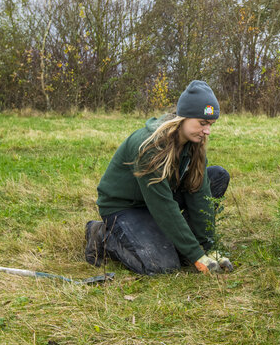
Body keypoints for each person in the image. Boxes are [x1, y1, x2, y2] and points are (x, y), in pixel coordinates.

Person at [85, 80, 232, 275]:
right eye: (202, 123)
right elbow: (163, 206)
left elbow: (200, 194)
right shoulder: (150, 146)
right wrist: (196, 256)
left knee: (217, 176)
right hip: (126, 207)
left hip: (157, 199)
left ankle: (179, 243)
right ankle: (102, 235)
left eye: (211, 124)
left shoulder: (194, 142)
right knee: (163, 266)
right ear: (183, 117)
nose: (207, 131)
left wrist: (207, 248)